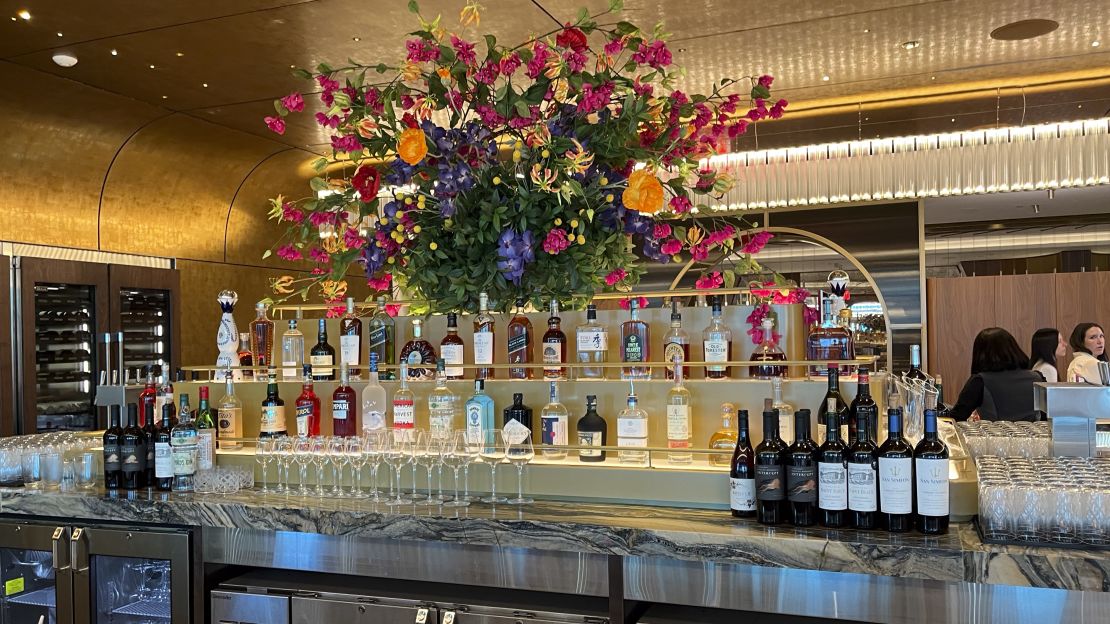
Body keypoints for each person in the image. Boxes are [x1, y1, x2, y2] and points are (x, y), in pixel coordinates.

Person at [950, 328, 1043, 422]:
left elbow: (956, 417)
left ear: (980, 355)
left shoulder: (980, 381)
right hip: (1035, 435)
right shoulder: (1038, 378)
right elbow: (1048, 417)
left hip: (992, 435)